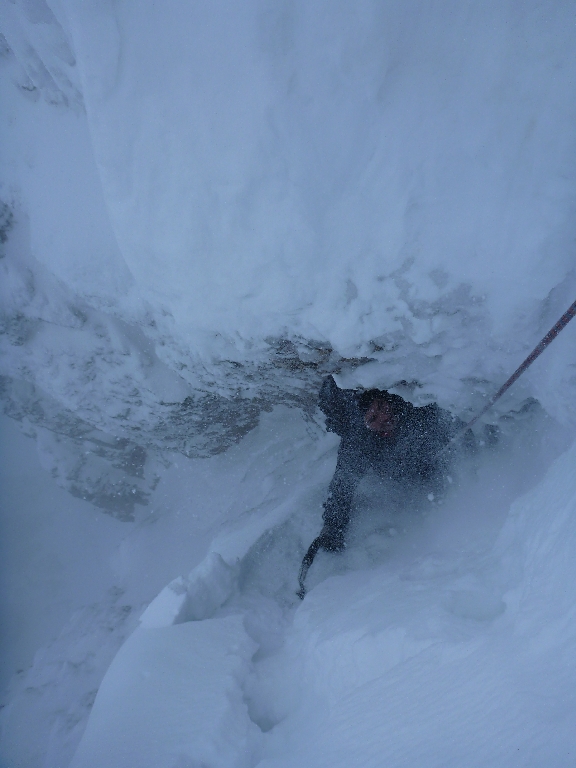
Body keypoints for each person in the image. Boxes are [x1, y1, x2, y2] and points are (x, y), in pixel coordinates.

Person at [314, 375, 463, 553]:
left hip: (438, 462)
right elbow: (342, 486)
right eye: (373, 419)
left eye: (380, 407)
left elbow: (451, 421)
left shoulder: (408, 403)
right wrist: (332, 529)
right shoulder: (359, 443)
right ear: (364, 426)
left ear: (384, 398)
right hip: (407, 482)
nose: (384, 417)